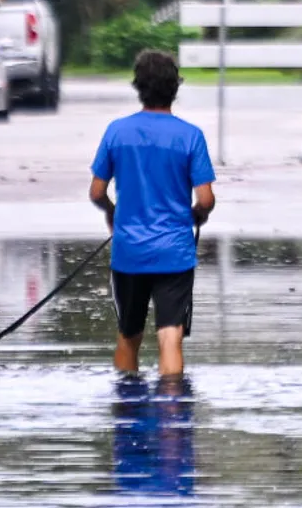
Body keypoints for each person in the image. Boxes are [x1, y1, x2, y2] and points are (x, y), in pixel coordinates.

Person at [89, 49, 216, 377]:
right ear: (175, 87)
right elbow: (205, 198)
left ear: (138, 87)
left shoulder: (117, 132)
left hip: (129, 251)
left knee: (128, 336)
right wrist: (196, 215)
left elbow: (97, 192)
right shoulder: (191, 136)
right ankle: (173, 415)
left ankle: (127, 409)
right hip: (174, 251)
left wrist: (112, 213)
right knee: (170, 337)